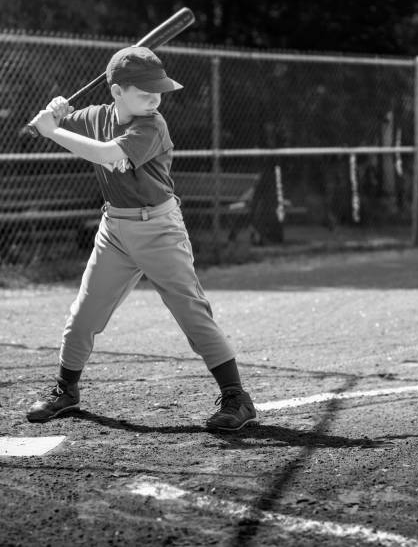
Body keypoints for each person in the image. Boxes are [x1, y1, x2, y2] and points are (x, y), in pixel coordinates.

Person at [26, 46, 257, 432]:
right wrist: (54, 115)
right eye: (145, 92)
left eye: (159, 91)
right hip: (114, 229)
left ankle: (237, 398)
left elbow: (105, 155)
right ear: (117, 91)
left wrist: (55, 131)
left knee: (191, 312)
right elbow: (44, 127)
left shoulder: (152, 125)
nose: (155, 98)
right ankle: (65, 390)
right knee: (83, 316)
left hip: (159, 229)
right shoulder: (97, 116)